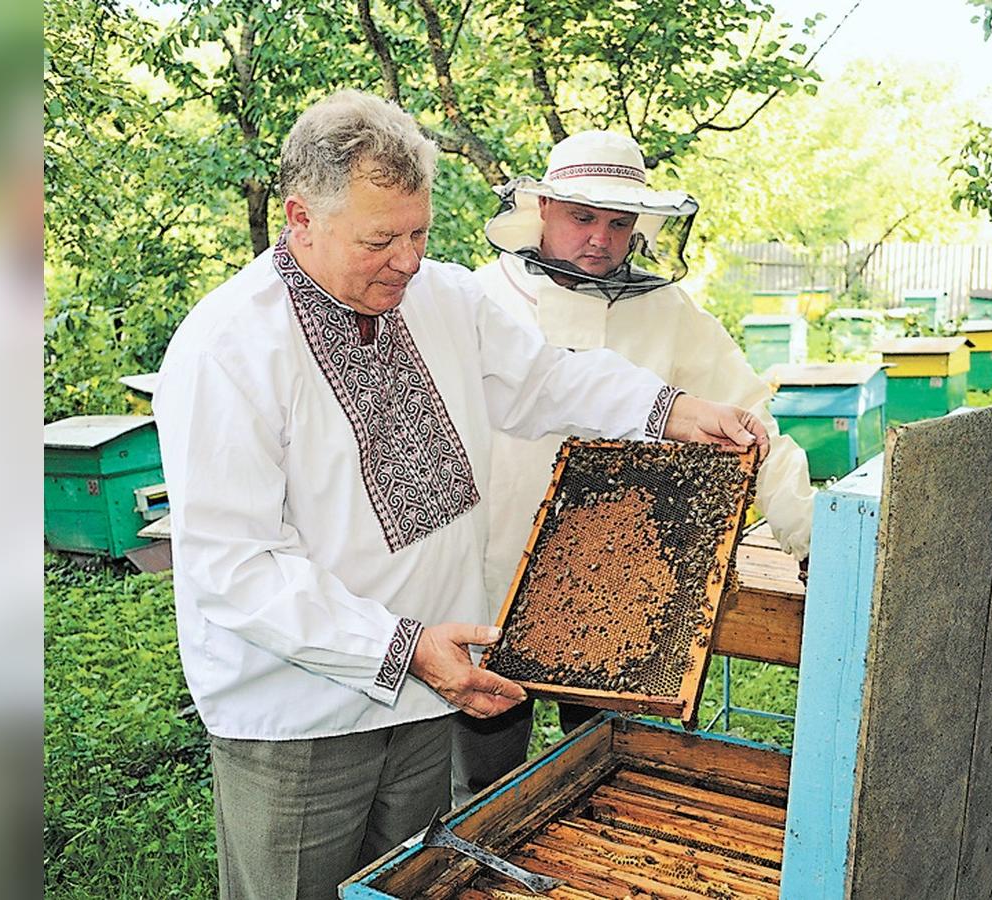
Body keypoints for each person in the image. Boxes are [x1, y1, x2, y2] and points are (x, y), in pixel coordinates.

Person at [152, 91, 769, 900]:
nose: (406, 260)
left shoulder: (443, 298)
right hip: (301, 712)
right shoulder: (227, 348)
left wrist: (670, 409)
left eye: (418, 232)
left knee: (412, 886)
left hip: (426, 690)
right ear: (299, 218)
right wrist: (401, 646)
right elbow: (235, 565)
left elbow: (545, 378)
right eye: (380, 239)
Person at [451, 130, 815, 807]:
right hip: (491, 564)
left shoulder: (669, 312)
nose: (599, 237)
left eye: (618, 223)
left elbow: (747, 419)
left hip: (624, 576)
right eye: (582, 217)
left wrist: (810, 534)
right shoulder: (478, 300)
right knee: (484, 773)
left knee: (611, 768)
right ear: (542, 210)